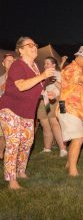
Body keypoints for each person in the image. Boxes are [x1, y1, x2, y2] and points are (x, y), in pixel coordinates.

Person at [0, 37, 55, 189]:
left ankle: (21, 171)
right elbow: (22, 86)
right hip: (10, 109)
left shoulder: (36, 67)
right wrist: (44, 76)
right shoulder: (17, 65)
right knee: (13, 142)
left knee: (27, 142)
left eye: (35, 45)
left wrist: (45, 94)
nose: (34, 47)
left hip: (27, 111)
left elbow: (35, 88)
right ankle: (11, 180)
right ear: (21, 49)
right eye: (29, 45)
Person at [58, 46, 83, 177]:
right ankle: (72, 171)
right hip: (69, 108)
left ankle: (69, 164)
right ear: (82, 57)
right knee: (78, 138)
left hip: (76, 109)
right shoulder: (71, 69)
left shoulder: (79, 69)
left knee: (77, 137)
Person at [36, 57, 67, 157]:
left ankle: (62, 149)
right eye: (45, 63)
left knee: (54, 123)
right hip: (42, 100)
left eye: (48, 63)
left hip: (52, 100)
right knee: (45, 125)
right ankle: (47, 148)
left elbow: (63, 88)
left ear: (54, 65)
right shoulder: (42, 74)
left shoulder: (58, 74)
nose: (45, 65)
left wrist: (53, 80)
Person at [0, 54, 15, 160]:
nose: (10, 62)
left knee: (12, 136)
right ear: (3, 63)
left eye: (12, 60)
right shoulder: (0, 79)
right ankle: (1, 153)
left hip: (15, 109)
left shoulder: (18, 77)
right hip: (2, 109)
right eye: (7, 60)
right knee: (2, 134)